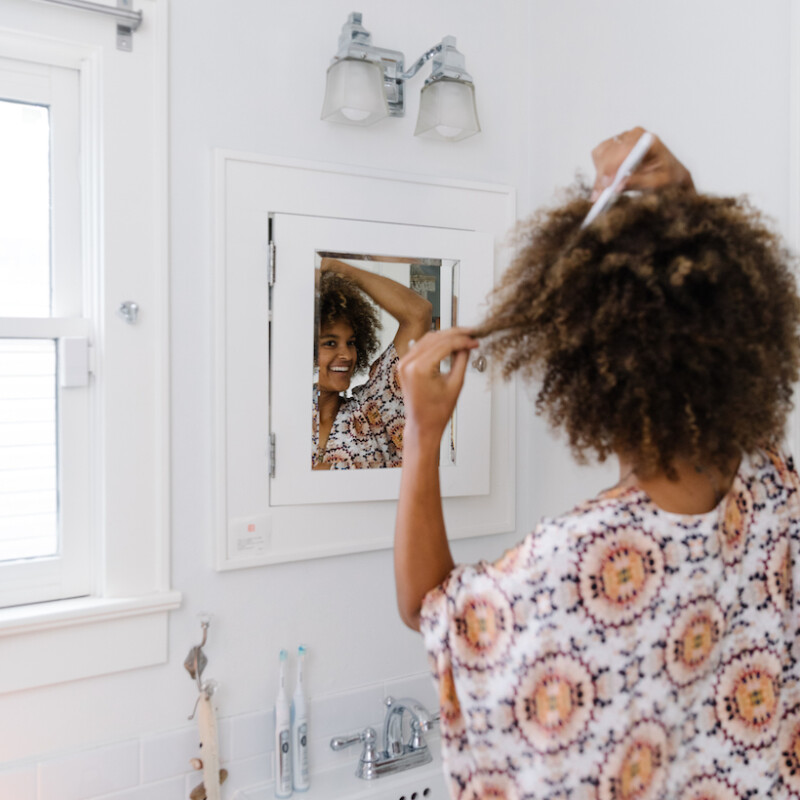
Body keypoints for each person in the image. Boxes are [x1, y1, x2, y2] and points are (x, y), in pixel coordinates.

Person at [394, 128, 800, 798]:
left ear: (589, 371)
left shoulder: (578, 558)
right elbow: (696, 298)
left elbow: (431, 608)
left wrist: (423, 431)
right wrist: (684, 208)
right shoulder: (768, 491)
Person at [314, 257, 432, 469]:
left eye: (350, 343)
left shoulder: (371, 412)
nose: (347, 355)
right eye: (330, 343)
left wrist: (336, 268)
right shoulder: (281, 419)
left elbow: (418, 313)